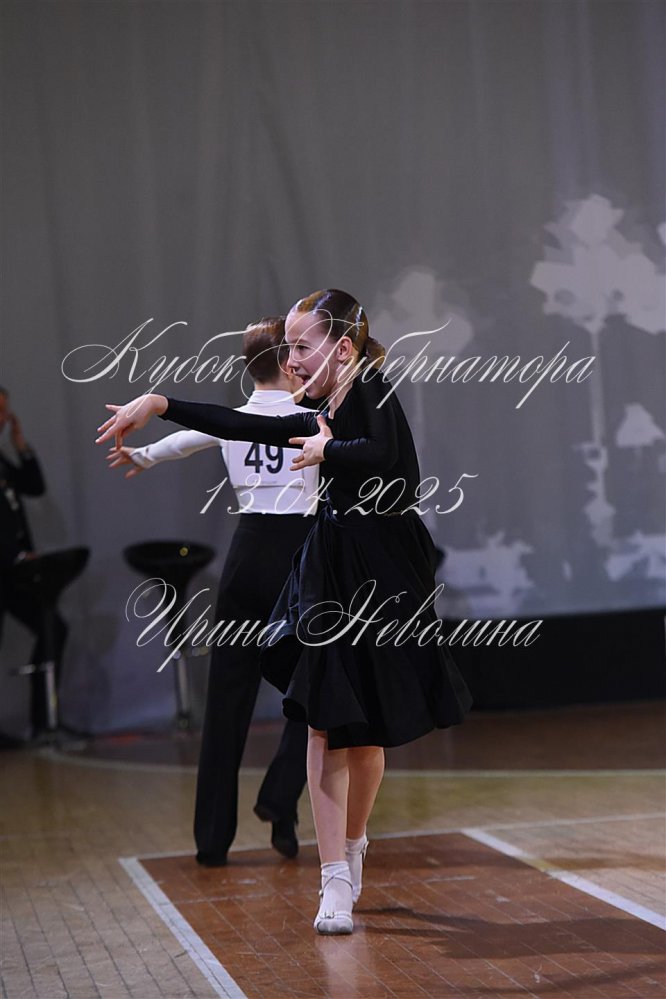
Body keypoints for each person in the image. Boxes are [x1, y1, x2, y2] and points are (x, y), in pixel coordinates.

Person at [96, 289, 473, 935]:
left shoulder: (371, 388)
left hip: (387, 569)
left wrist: (330, 452)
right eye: (289, 347)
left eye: (302, 346)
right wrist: (159, 404)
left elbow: (389, 462)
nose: (290, 359)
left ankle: (354, 844)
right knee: (323, 720)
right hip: (329, 565)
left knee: (368, 732)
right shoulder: (316, 406)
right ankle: (333, 878)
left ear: (343, 348)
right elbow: (245, 424)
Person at [108, 319, 319, 866]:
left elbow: (186, 440)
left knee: (228, 696)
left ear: (248, 367)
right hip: (298, 557)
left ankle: (211, 840)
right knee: (320, 686)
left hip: (246, 555)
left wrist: (143, 456)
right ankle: (280, 798)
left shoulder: (234, 419)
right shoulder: (314, 416)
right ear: (289, 363)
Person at [0, 386, 68, 739]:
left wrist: (21, 445)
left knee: (53, 627)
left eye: (5, 411)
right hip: (6, 564)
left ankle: (44, 722)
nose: (2, 418)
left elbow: (34, 486)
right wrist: (12, 553)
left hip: (13, 572)